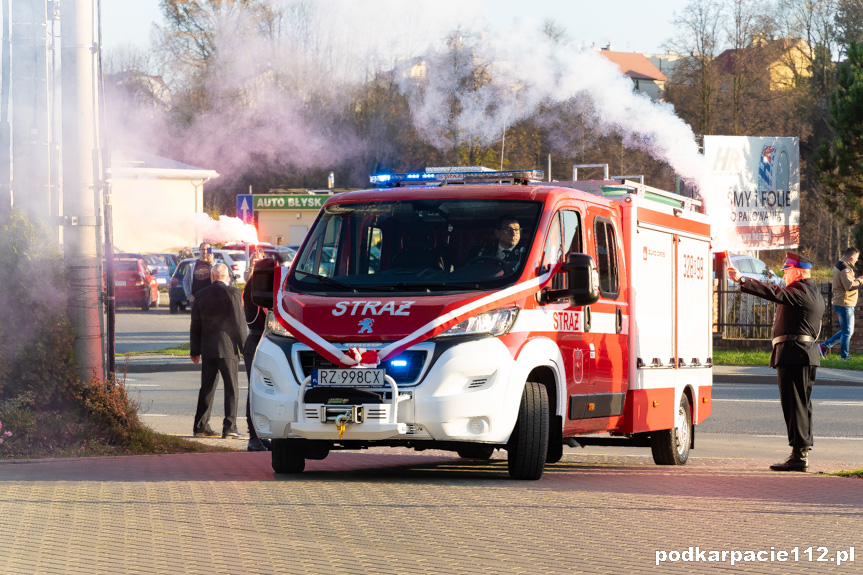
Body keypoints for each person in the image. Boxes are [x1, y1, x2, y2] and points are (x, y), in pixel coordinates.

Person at [728, 252, 824, 472]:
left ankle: (799, 455)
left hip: (795, 354)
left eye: (787, 271)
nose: (785, 275)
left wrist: (742, 280)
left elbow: (774, 292)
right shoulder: (812, 292)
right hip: (800, 354)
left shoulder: (800, 291)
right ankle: (801, 451)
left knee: (795, 406)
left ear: (798, 272)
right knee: (801, 406)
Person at [190, 263, 248, 439]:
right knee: (231, 388)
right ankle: (229, 427)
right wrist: (244, 348)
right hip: (227, 347)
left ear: (212, 276)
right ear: (226, 276)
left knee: (207, 388)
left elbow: (195, 325)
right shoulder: (233, 293)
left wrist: (195, 351)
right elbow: (238, 323)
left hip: (208, 348)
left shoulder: (200, 295)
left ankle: (200, 426)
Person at [242, 255, 274, 452]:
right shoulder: (257, 288)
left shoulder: (256, 286)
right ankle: (253, 437)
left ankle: (260, 436)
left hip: (261, 341)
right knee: (254, 392)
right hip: (256, 341)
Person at [820, 247, 863, 360]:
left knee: (847, 331)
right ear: (851, 257)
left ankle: (823, 346)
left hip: (843, 302)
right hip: (845, 303)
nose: (857, 260)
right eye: (856, 258)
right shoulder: (845, 268)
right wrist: (860, 280)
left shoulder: (841, 265)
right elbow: (849, 286)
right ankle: (845, 357)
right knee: (847, 332)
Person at [183, 242, 215, 309]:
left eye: (207, 249)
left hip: (210, 299)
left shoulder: (214, 265)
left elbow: (218, 276)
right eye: (203, 249)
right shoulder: (192, 265)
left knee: (209, 319)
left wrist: (211, 262)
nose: (205, 252)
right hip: (195, 299)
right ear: (199, 250)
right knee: (196, 319)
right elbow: (185, 280)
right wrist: (189, 295)